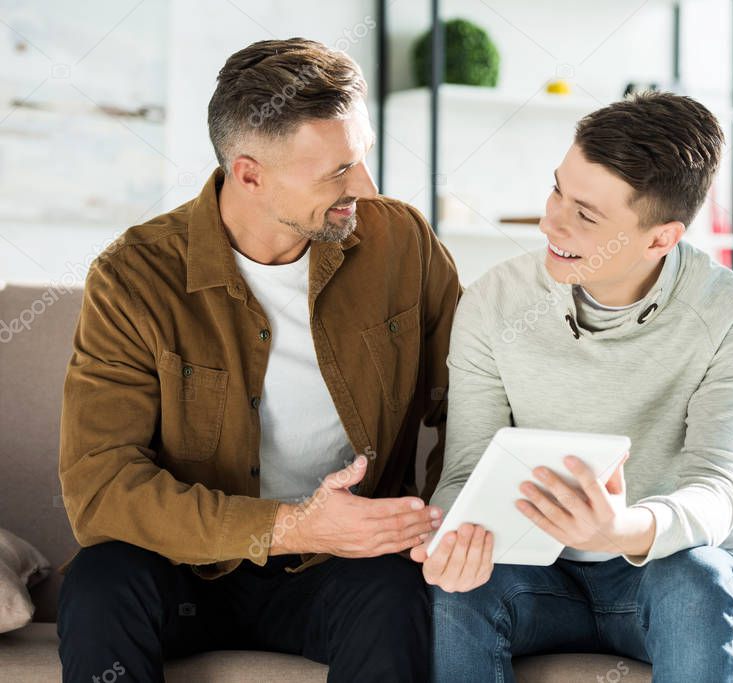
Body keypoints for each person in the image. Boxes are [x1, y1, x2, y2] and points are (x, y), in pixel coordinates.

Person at [57, 38, 459, 682]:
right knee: (102, 582)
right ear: (249, 174)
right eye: (338, 171)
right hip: (185, 571)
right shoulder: (134, 277)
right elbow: (101, 491)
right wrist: (296, 525)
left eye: (364, 160)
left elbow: (470, 399)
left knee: (393, 590)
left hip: (343, 571)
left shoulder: (400, 242)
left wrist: (441, 517)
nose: (367, 188)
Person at [412, 92, 733, 682]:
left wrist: (621, 530)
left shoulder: (732, 313)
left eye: (586, 214)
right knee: (463, 589)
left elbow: (716, 487)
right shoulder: (492, 302)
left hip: (674, 574)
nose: (551, 220)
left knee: (695, 582)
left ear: (661, 238)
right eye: (557, 189)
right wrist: (451, 540)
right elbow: (466, 470)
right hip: (541, 577)